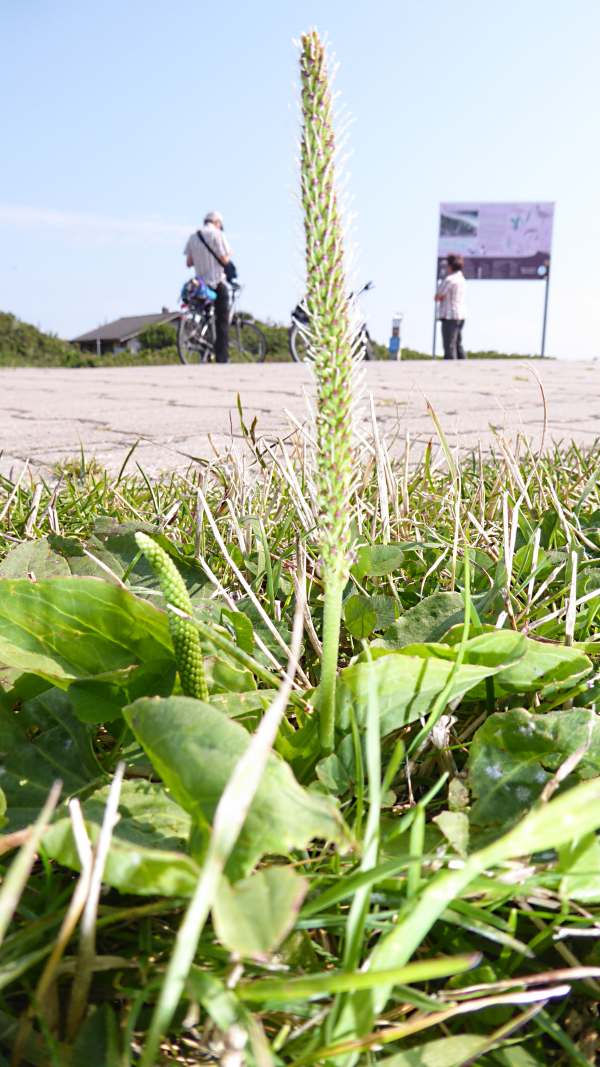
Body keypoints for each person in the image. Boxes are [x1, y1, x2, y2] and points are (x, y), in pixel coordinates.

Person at [184, 212, 233, 363]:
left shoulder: (193, 236)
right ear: (217, 222)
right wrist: (231, 252)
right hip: (216, 282)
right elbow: (224, 258)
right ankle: (221, 358)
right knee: (222, 321)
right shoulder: (217, 234)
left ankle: (204, 354)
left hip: (201, 285)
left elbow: (189, 263)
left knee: (204, 317)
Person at [435, 253, 467, 360]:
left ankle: (450, 368)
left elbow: (437, 296)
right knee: (457, 344)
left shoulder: (449, 280)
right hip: (460, 314)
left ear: (449, 266)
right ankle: (464, 365)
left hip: (449, 315)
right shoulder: (462, 279)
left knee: (449, 345)